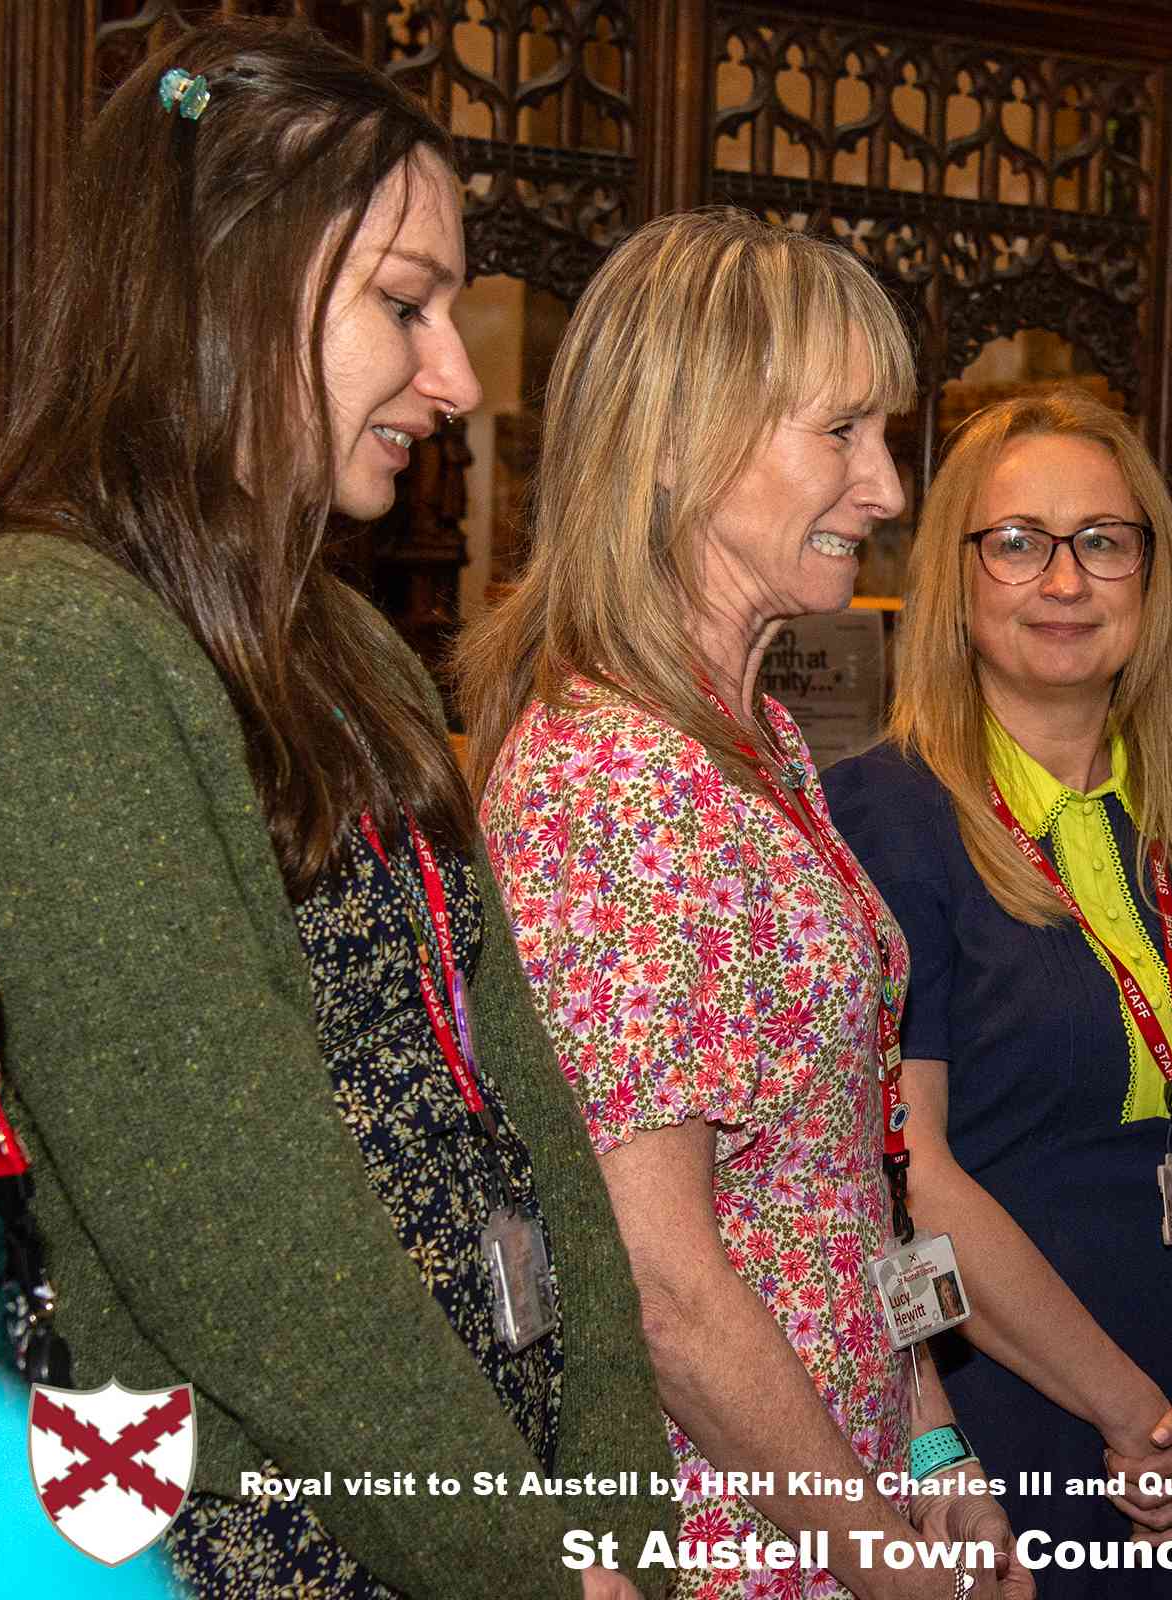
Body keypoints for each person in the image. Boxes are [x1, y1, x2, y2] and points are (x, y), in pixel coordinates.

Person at [0, 22, 669, 1598]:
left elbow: (522, 1095)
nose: (453, 378)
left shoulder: (342, 635)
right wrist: (522, 1555)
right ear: (231, 275)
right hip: (258, 1528)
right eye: (405, 304)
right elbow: (228, 1211)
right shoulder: (49, 637)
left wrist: (618, 1514)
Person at [460, 210, 1029, 1600]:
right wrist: (890, 1572)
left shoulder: (751, 738)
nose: (888, 487)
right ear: (676, 439)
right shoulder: (611, 778)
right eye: (840, 432)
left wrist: (936, 1445)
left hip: (848, 1496)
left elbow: (842, 1173)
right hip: (730, 1542)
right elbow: (664, 1291)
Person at [822, 392, 1172, 1596]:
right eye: (1019, 541)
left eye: (1104, 540)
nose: (1066, 579)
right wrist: (1131, 1411)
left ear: (1152, 571)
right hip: (1013, 1428)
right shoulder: (892, 814)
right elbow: (911, 1171)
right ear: (957, 575)